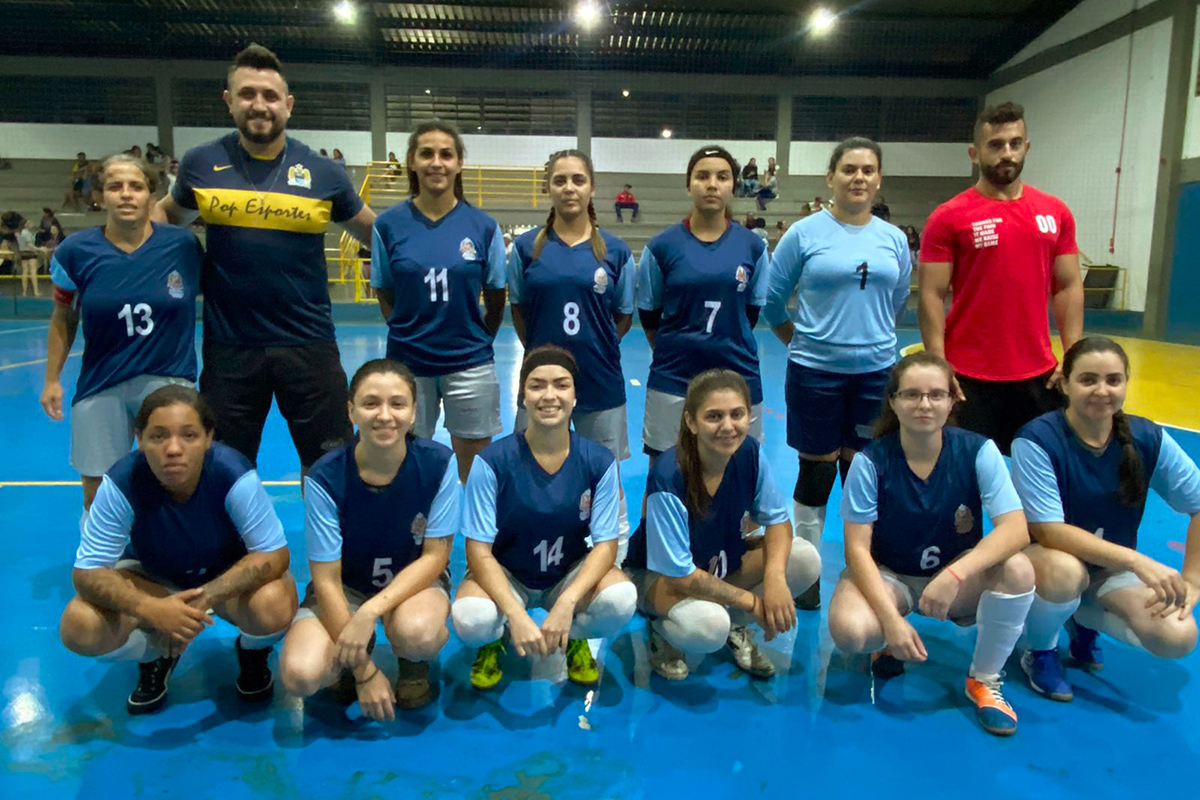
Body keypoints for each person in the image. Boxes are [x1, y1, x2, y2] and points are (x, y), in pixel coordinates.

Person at [154, 44, 376, 473]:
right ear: (229, 100)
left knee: (330, 465)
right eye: (248, 94)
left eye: (271, 96)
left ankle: (329, 543)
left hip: (309, 345)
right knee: (224, 467)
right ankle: (234, 543)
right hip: (230, 349)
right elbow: (164, 218)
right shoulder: (202, 163)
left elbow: (376, 233)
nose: (260, 105)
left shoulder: (323, 172)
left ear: (288, 105)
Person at [828, 352, 1034, 736]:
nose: (925, 404)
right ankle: (887, 642)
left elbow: (1016, 530)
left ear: (952, 400)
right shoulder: (871, 462)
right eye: (912, 395)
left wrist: (957, 573)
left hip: (956, 580)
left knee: (1019, 569)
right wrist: (889, 623)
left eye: (936, 395)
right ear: (893, 401)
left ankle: (985, 679)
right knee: (851, 632)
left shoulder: (978, 450)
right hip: (892, 577)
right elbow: (856, 549)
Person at [59, 386, 297, 715]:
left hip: (221, 575)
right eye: (158, 437)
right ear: (139, 439)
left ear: (208, 437)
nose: (174, 449)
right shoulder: (121, 482)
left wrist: (203, 599)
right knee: (79, 625)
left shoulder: (233, 474)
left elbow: (274, 555)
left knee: (275, 604)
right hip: (151, 576)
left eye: (188, 435)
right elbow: (87, 572)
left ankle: (253, 653)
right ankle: (157, 653)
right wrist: (150, 609)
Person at [764, 137, 912, 610]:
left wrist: (868, 343)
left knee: (863, 473)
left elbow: (897, 299)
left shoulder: (892, 239)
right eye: (849, 169)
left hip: (875, 376)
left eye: (868, 170)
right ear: (831, 178)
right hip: (815, 374)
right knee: (816, 472)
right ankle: (805, 574)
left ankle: (864, 569)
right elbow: (772, 302)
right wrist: (806, 343)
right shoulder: (804, 234)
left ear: (879, 179)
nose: (859, 178)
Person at [1012, 337, 1200, 702]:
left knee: (1178, 636)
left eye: (1113, 380)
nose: (1102, 390)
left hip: (1107, 572)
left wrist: (1193, 578)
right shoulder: (1037, 439)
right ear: (1064, 383)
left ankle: (1081, 620)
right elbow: (1048, 531)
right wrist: (1136, 560)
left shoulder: (1146, 437)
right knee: (1067, 573)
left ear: (1127, 383)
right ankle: (1040, 650)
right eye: (1088, 380)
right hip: (1045, 564)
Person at [279, 359, 460, 716]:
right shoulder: (325, 477)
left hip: (412, 585)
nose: (384, 415)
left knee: (419, 633)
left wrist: (371, 612)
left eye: (397, 403)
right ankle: (350, 659)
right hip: (345, 588)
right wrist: (365, 671)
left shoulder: (439, 463)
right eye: (370, 403)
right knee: (300, 676)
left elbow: (435, 557)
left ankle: (412, 664)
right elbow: (326, 579)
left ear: (413, 411)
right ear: (351, 411)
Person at [451, 346, 636, 690]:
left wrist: (567, 603)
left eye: (561, 385)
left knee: (620, 599)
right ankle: (495, 639)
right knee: (470, 619)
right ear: (522, 396)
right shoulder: (492, 462)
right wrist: (516, 614)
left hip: (566, 573)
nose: (549, 395)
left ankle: (574, 637)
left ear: (575, 396)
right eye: (537, 385)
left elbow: (606, 544)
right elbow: (477, 550)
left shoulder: (598, 462)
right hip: (508, 574)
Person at [625, 369, 821, 680]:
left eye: (737, 414)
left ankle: (737, 624)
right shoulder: (668, 476)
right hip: (659, 578)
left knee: (804, 559)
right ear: (691, 422)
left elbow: (779, 523)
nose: (727, 426)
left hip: (718, 564)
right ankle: (661, 628)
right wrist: (753, 602)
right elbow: (681, 577)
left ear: (749, 417)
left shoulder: (750, 454)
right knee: (708, 626)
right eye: (714, 416)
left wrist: (774, 580)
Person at [919, 101, 1084, 455]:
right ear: (974, 153)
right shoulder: (948, 217)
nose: (1006, 153)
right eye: (995, 145)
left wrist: (1073, 355)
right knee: (967, 485)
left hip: (1040, 375)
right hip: (967, 378)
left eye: (1014, 143)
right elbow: (931, 294)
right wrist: (938, 365)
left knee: (1042, 481)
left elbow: (1068, 286)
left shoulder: (1055, 212)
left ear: (1027, 147)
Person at [41, 154, 203, 512]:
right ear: (99, 197)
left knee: (175, 480)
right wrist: (52, 379)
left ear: (151, 195)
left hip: (169, 382)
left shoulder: (182, 246)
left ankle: (170, 556)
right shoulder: (74, 252)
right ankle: (101, 560)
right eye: (115, 186)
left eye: (136, 186)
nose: (126, 194)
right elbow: (62, 315)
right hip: (103, 383)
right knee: (98, 490)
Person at [508, 149, 636, 560]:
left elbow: (623, 316)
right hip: (542, 385)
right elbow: (519, 310)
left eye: (578, 180)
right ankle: (527, 552)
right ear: (548, 188)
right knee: (529, 469)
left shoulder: (614, 251)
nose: (569, 188)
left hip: (600, 382)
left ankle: (612, 560)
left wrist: (591, 349)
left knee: (605, 475)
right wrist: (546, 357)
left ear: (592, 188)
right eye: (560, 180)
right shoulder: (527, 248)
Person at [370, 120, 506, 482]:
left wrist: (473, 336)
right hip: (408, 365)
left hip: (470, 362)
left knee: (475, 471)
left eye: (446, 154)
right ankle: (416, 536)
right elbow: (385, 290)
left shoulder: (483, 226)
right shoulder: (388, 225)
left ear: (459, 163)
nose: (436, 162)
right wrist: (409, 329)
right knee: (409, 463)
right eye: (426, 153)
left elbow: (495, 296)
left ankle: (475, 539)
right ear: (411, 162)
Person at [637, 145, 769, 458]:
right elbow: (649, 314)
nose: (712, 184)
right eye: (703, 176)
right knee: (664, 470)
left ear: (733, 187)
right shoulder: (661, 247)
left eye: (722, 177)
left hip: (738, 374)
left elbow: (750, 312)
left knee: (738, 470)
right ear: (689, 185)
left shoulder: (753, 247)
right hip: (673, 376)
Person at [17, 219, 38, 297]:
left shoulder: (21, 233)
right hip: (30, 253)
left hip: (23, 253)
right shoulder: (26, 233)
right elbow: (29, 245)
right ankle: (36, 291)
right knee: (33, 271)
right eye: (29, 223)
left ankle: (24, 291)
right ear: (25, 225)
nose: (31, 224)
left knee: (25, 271)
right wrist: (38, 249)